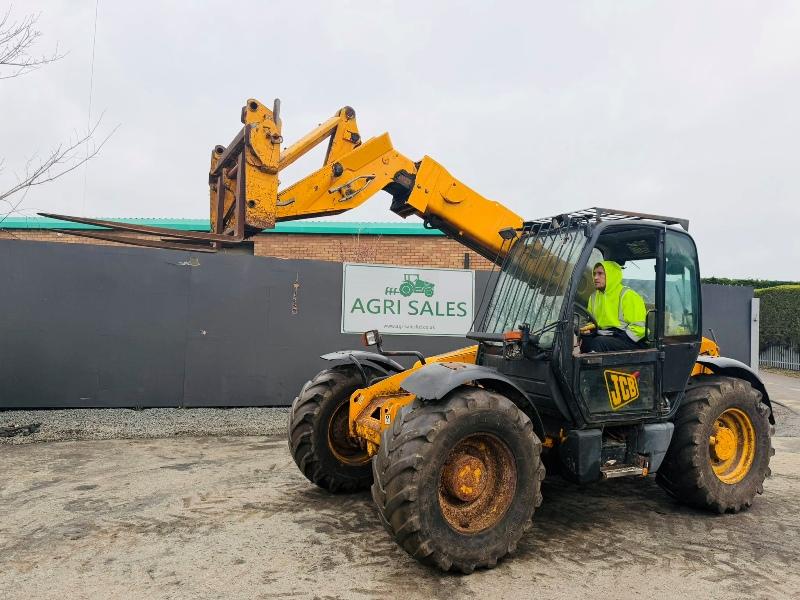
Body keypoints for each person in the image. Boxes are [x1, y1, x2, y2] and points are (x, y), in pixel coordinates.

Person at [580, 260, 647, 353]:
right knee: (585, 341)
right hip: (605, 335)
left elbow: (639, 328)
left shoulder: (628, 295)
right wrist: (587, 330)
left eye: (600, 274)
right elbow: (591, 321)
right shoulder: (594, 297)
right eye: (594, 274)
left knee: (599, 342)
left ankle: (595, 367)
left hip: (629, 340)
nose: (595, 277)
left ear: (611, 275)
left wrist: (615, 336)